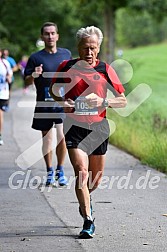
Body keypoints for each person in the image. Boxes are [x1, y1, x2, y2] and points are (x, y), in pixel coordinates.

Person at [50, 26, 127, 238]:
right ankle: (88, 219)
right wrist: (61, 99)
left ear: (99, 47)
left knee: (94, 180)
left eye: (93, 48)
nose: (89, 52)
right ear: (79, 48)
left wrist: (104, 101)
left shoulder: (105, 70)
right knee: (81, 172)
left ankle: (85, 200)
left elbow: (123, 100)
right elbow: (54, 89)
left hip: (98, 128)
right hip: (74, 127)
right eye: (85, 48)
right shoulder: (67, 66)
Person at [24, 22, 72, 186]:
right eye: (47, 33)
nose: (50, 36)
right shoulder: (35, 58)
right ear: (42, 37)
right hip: (44, 104)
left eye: (53, 33)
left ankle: (60, 169)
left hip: (61, 102)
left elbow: (72, 77)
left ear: (57, 36)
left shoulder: (66, 54)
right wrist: (34, 76)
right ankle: (49, 171)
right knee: (47, 139)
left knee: (62, 136)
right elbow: (26, 81)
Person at [0, 49, 13, 145]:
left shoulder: (5, 63)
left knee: (0, 114)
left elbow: (10, 73)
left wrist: (9, 77)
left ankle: (0, 135)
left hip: (2, 93)